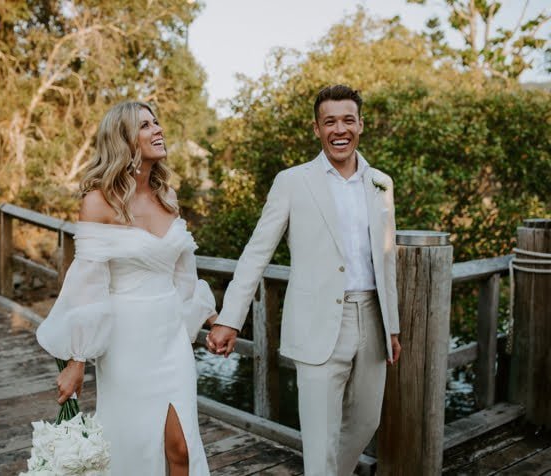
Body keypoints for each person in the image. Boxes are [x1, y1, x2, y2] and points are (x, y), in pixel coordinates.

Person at [207, 85, 402, 476]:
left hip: (372, 320)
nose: (339, 129)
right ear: (317, 129)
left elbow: (385, 259)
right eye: (330, 122)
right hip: (317, 324)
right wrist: (230, 318)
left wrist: (392, 326)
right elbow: (257, 252)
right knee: (320, 439)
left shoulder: (381, 183)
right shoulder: (292, 181)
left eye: (348, 120)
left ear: (361, 125)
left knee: (366, 423)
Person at [36, 101, 217, 476]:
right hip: (127, 341)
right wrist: (77, 361)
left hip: (172, 338)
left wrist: (212, 317)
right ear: (122, 139)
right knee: (132, 443)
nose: (157, 129)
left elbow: (183, 272)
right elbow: (87, 286)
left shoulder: (168, 196)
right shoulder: (98, 202)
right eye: (145, 125)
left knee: (181, 447)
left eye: (157, 122)